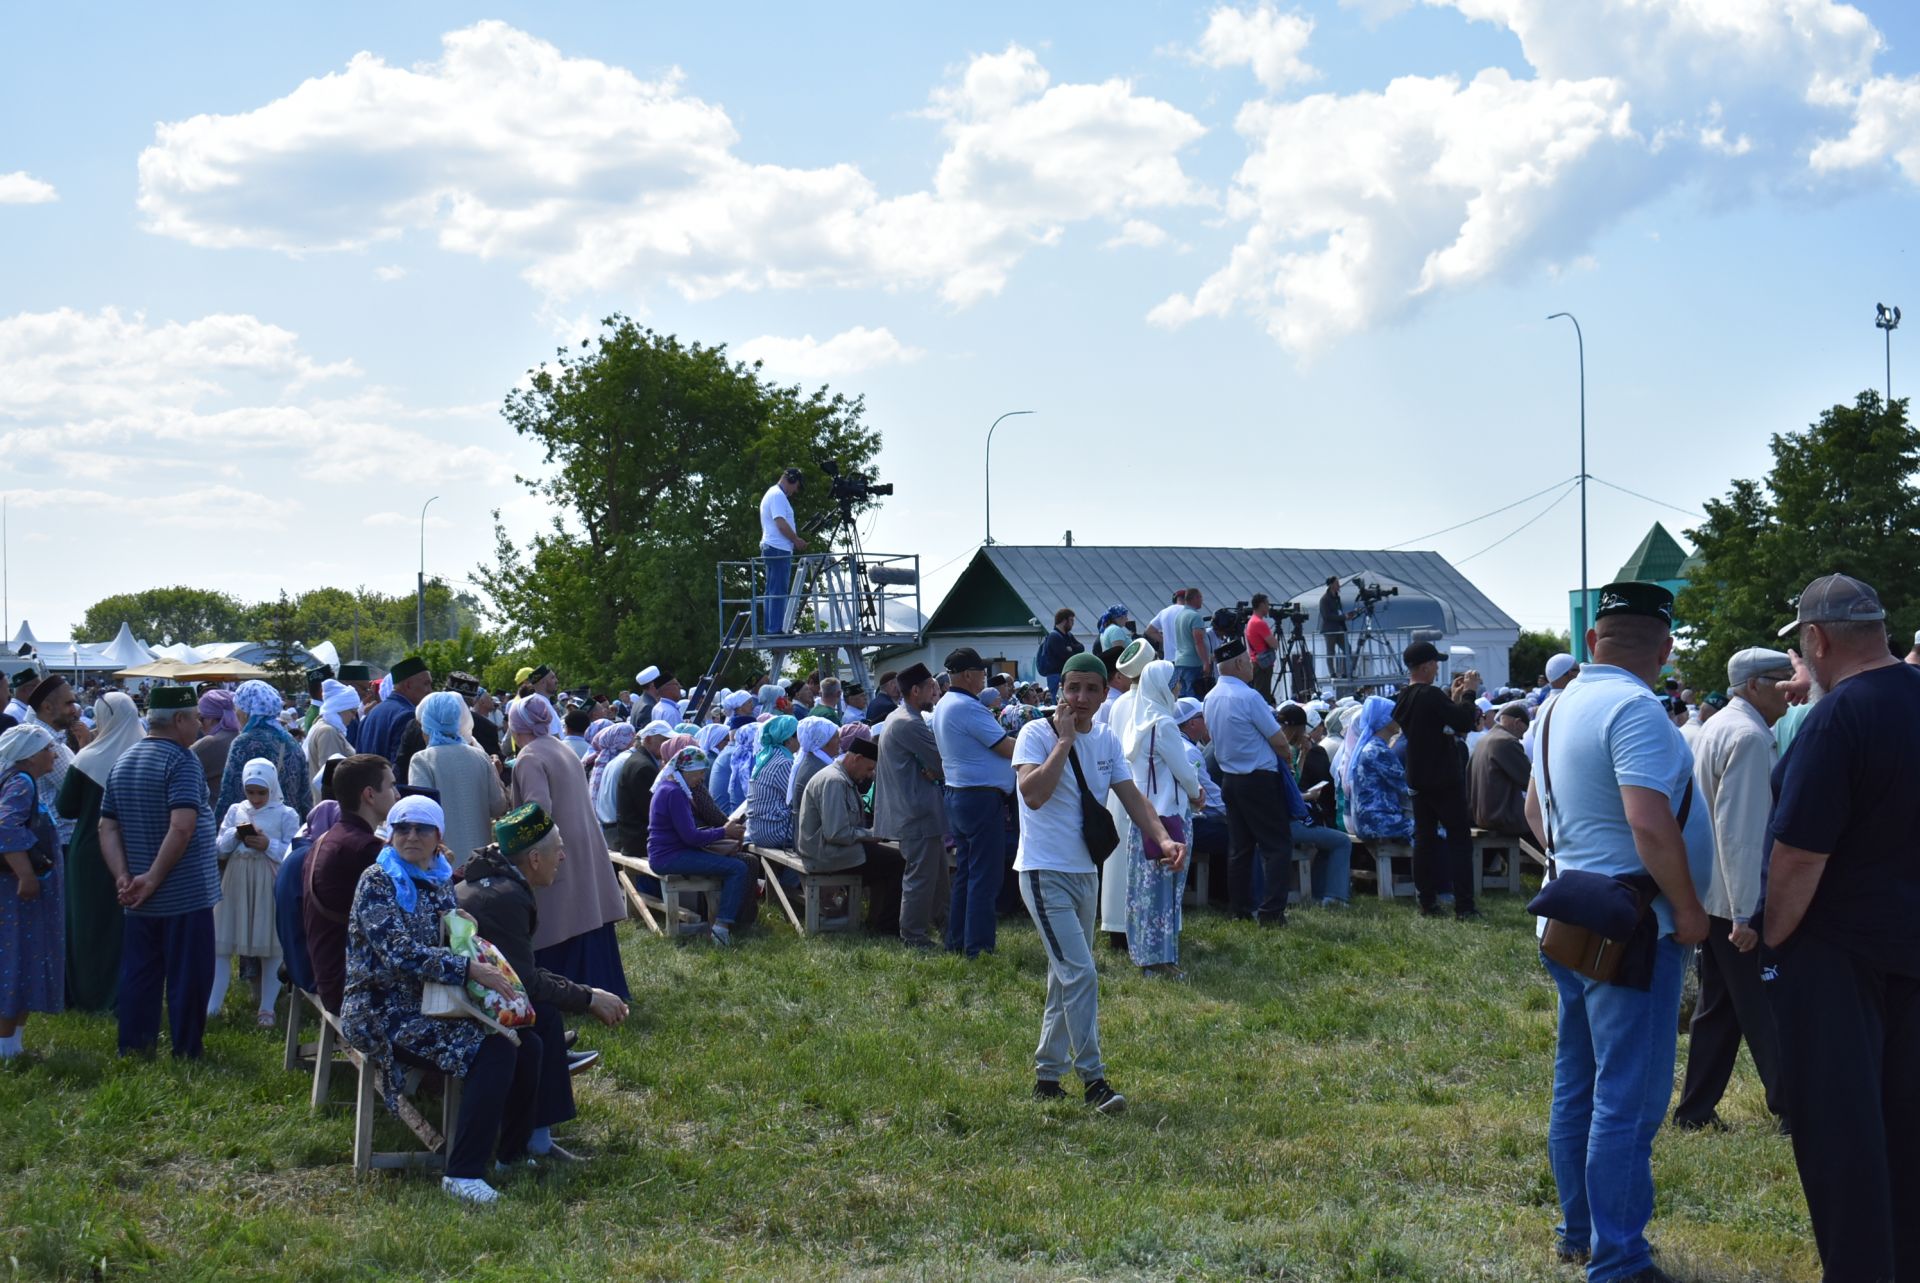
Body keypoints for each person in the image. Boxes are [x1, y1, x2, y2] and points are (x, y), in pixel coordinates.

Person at [1521, 581, 1711, 1282]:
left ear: (1593, 641)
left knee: (1579, 1082)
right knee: (1626, 1099)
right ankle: (1620, 1257)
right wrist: (1688, 908)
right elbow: (1648, 821)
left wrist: (1579, 862)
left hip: (1568, 915)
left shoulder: (1555, 705)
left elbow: (1533, 811)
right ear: (1664, 649)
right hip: (1633, 930)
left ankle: (1580, 1231)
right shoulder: (1636, 709)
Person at [1762, 573, 1920, 1282]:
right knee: (1908, 1135)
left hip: (1840, 960)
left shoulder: (1837, 718)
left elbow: (1797, 857)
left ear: (1817, 640)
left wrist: (1771, 938)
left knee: (1844, 1138)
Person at [339, 794, 538, 1205]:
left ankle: (510, 1155)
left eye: (422, 829)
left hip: (431, 999)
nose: (411, 836)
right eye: (402, 828)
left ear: (438, 837)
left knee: (528, 1042)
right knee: (494, 1049)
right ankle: (462, 1172)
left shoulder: (437, 877)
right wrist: (467, 970)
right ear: (390, 834)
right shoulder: (377, 880)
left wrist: (462, 929)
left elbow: (442, 936)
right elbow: (397, 952)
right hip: (382, 1007)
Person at [1015, 652, 1186, 1113]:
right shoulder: (1035, 734)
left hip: (1085, 872)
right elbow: (1033, 795)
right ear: (1060, 691)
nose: (1083, 698)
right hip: (1042, 872)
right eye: (1074, 688)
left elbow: (1133, 798)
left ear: (1106, 691)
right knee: (1082, 973)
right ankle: (1094, 1081)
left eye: (1093, 689)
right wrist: (1064, 743)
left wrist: (1165, 840)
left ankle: (1047, 1078)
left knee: (1064, 978)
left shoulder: (1108, 739)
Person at [458, 803, 631, 1161]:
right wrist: (589, 998)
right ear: (535, 858)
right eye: (558, 849)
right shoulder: (505, 898)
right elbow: (526, 983)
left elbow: (521, 970)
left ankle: (538, 1135)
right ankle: (533, 1141)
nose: (564, 857)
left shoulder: (498, 881)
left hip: (466, 988)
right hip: (462, 1002)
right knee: (544, 1017)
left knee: (547, 1016)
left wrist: (585, 994)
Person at [1671, 647, 1792, 1134]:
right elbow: (1741, 833)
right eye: (1781, 678)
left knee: (1720, 1009)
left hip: (1714, 894)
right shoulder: (1747, 736)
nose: (1790, 686)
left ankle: (1695, 1110)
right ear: (1755, 686)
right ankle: (1793, 1110)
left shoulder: (1722, 725)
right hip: (1734, 899)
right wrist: (1748, 913)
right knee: (1765, 1007)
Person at [98, 686, 224, 1059]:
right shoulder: (181, 761)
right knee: (189, 977)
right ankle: (186, 1050)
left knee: (140, 974)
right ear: (180, 720)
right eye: (196, 718)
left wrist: (123, 875)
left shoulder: (124, 760)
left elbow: (107, 826)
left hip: (136, 894)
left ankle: (135, 1047)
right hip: (183, 894)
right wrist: (152, 877)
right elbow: (182, 825)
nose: (201, 726)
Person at [507, 695, 629, 998]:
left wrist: (511, 846)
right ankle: (602, 985)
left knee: (562, 919)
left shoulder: (529, 757)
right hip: (584, 840)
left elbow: (538, 811)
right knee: (588, 911)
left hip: (555, 849)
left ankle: (568, 993)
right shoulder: (561, 747)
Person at [58, 691, 142, 1011]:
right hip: (135, 848)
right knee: (123, 925)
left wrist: (85, 748)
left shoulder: (87, 758)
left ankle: (88, 996)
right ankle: (123, 993)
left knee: (88, 926)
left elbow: (65, 807)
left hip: (90, 851)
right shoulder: (144, 752)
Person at [1202, 639, 1295, 924]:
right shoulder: (1249, 697)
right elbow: (1279, 740)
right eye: (1249, 661)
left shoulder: (1210, 697)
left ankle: (1239, 910)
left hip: (1231, 779)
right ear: (1240, 663)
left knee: (1239, 848)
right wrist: (1289, 762)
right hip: (1259, 779)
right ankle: (1272, 912)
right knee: (1277, 846)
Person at [932, 648, 1016, 958]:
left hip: (961, 795)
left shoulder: (946, 704)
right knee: (985, 876)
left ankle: (957, 940)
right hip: (979, 798)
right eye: (981, 672)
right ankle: (979, 947)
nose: (984, 677)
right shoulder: (969, 708)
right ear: (967, 675)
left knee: (968, 874)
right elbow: (1006, 747)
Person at [1121, 660, 1202, 976]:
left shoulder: (1137, 720)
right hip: (1168, 815)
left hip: (1143, 815)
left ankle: (1143, 952)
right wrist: (1197, 791)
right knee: (1165, 890)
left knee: (1144, 890)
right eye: (1174, 683)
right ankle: (1161, 960)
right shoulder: (1164, 724)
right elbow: (1183, 770)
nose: (1178, 688)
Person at [1393, 641, 1481, 920]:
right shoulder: (1430, 694)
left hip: (1418, 777)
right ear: (1426, 665)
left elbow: (1435, 723)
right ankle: (1464, 906)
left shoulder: (1404, 696)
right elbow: (1464, 723)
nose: (1438, 668)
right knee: (1458, 840)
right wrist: (1468, 694)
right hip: (1443, 778)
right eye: (1435, 663)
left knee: (1424, 840)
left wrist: (1452, 700)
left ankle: (1427, 902)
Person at [303, 754, 397, 1013]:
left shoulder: (328, 838)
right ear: (369, 794)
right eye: (391, 785)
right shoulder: (362, 849)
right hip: (353, 987)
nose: (397, 794)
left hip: (328, 973)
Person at [207, 757, 298, 1025]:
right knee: (221, 945)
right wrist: (236, 835)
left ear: (272, 788)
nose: (256, 798)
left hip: (266, 882)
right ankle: (213, 1005)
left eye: (262, 792)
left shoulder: (285, 814)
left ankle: (267, 1007)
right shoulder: (237, 810)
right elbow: (220, 848)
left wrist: (267, 844)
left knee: (269, 946)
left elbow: (292, 852)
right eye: (251, 792)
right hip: (236, 880)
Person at [0, 724, 63, 1059]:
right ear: (31, 754)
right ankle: (6, 1048)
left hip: (20, 893)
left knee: (22, 960)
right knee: (16, 959)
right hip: (16, 894)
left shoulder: (18, 780)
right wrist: (26, 875)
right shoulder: (22, 783)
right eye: (48, 748)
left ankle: (14, 1045)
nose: (53, 754)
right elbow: (6, 826)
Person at [873, 663, 947, 949]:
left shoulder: (899, 717)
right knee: (920, 878)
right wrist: (935, 770)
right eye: (930, 687)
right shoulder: (909, 722)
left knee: (938, 876)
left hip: (917, 810)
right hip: (916, 812)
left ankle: (947, 926)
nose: (935, 691)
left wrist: (933, 770)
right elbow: (941, 762)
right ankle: (913, 936)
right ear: (915, 691)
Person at [796, 739, 903, 933]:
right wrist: (871, 835)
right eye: (869, 769)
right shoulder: (835, 781)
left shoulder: (840, 777)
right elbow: (836, 833)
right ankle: (887, 928)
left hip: (830, 850)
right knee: (899, 862)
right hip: (825, 854)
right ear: (857, 758)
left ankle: (877, 921)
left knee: (888, 860)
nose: (870, 775)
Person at [648, 745, 750, 944]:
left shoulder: (668, 787)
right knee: (738, 868)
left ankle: (723, 922)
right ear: (687, 771)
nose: (702, 777)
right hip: (669, 857)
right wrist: (724, 831)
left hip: (666, 852)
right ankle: (722, 927)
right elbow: (691, 838)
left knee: (735, 865)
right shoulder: (675, 793)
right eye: (700, 772)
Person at [409, 690, 508, 864]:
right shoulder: (480, 756)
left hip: (443, 863)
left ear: (427, 723)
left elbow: (420, 816)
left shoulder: (422, 760)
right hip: (480, 862)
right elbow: (499, 807)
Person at [1278, 703, 1353, 906]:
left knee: (1329, 840)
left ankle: (1322, 893)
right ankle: (1334, 896)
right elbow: (1288, 796)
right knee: (1341, 841)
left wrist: (1303, 755)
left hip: (1277, 819)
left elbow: (1292, 785)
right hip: (1286, 822)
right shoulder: (1282, 752)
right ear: (1298, 729)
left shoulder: (1276, 749)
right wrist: (1309, 797)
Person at [216, 681, 313, 823]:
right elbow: (305, 795)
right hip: (287, 829)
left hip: (252, 831)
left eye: (238, 707)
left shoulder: (243, 743)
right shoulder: (291, 742)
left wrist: (219, 830)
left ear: (247, 710)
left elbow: (229, 793)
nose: (236, 712)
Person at [1344, 696, 1414, 844]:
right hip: (1380, 822)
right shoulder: (1379, 751)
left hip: (1366, 821)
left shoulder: (1368, 746)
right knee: (1436, 832)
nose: (1398, 719)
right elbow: (1407, 787)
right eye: (1394, 715)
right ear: (1385, 719)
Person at [1469, 702, 1534, 837]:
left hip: (1479, 815)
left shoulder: (1483, 740)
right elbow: (1530, 781)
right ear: (1517, 722)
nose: (1521, 738)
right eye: (1523, 732)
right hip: (1501, 817)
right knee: (1546, 828)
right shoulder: (1507, 742)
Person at [759, 466, 808, 634]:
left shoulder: (773, 494)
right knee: (778, 590)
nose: (795, 491)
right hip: (778, 549)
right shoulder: (778, 496)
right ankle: (774, 630)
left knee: (772, 590)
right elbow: (780, 522)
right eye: (797, 486)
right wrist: (796, 540)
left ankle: (771, 628)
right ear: (792, 480)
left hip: (773, 547)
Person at [353, 657, 430, 765]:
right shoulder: (408, 716)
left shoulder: (371, 714)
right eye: (426, 684)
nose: (430, 690)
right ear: (408, 685)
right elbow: (401, 767)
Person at [743, 714, 803, 850]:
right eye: (797, 735)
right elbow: (796, 801)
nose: (801, 739)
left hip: (758, 829)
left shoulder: (767, 756)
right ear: (788, 740)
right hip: (772, 832)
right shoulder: (784, 762)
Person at [615, 721, 673, 856]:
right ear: (648, 739)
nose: (667, 745)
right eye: (664, 741)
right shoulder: (644, 766)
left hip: (635, 836)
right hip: (640, 841)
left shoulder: (640, 760)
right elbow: (651, 811)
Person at [302, 680, 360, 795]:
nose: (354, 718)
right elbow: (331, 780)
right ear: (339, 708)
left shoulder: (326, 727)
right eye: (352, 712)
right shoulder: (328, 732)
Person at [1524, 653, 1580, 760]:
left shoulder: (1544, 705)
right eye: (1578, 670)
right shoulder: (1572, 702)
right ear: (1570, 674)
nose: (1581, 673)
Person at [190, 689, 240, 802]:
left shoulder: (209, 743)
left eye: (200, 718)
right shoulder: (240, 737)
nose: (199, 724)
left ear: (211, 719)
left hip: (214, 813)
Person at [788, 716, 841, 809]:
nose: (840, 741)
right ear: (824, 741)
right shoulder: (818, 768)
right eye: (836, 737)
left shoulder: (813, 760)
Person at [1037, 609, 1083, 698]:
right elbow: (1066, 656)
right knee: (1060, 701)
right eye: (1071, 620)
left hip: (1065, 675)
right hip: (1055, 677)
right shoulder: (1054, 637)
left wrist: (1071, 648)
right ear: (1064, 621)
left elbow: (1081, 648)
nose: (1073, 623)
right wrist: (1070, 650)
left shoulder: (1068, 635)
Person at [1171, 590, 1208, 697]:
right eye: (1200, 598)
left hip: (1179, 661)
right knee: (1194, 697)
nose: (1202, 601)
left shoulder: (1180, 616)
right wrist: (1205, 662)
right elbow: (1198, 641)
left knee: (1181, 696)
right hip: (1193, 663)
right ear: (1195, 598)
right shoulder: (1195, 617)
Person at [1243, 594, 1279, 703]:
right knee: (1263, 696)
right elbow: (1274, 644)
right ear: (1262, 605)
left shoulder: (1251, 621)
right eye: (1267, 604)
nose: (1268, 607)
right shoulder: (1259, 623)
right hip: (1263, 665)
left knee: (1260, 692)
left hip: (1257, 662)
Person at [1319, 577, 1351, 679]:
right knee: (1330, 652)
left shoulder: (1337, 598)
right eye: (1337, 583)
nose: (1339, 585)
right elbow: (1326, 616)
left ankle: (1345, 672)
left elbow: (1338, 611)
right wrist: (1343, 617)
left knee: (1347, 648)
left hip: (1339, 628)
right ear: (1331, 585)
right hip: (1329, 629)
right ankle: (1332, 673)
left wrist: (1346, 617)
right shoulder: (1324, 599)